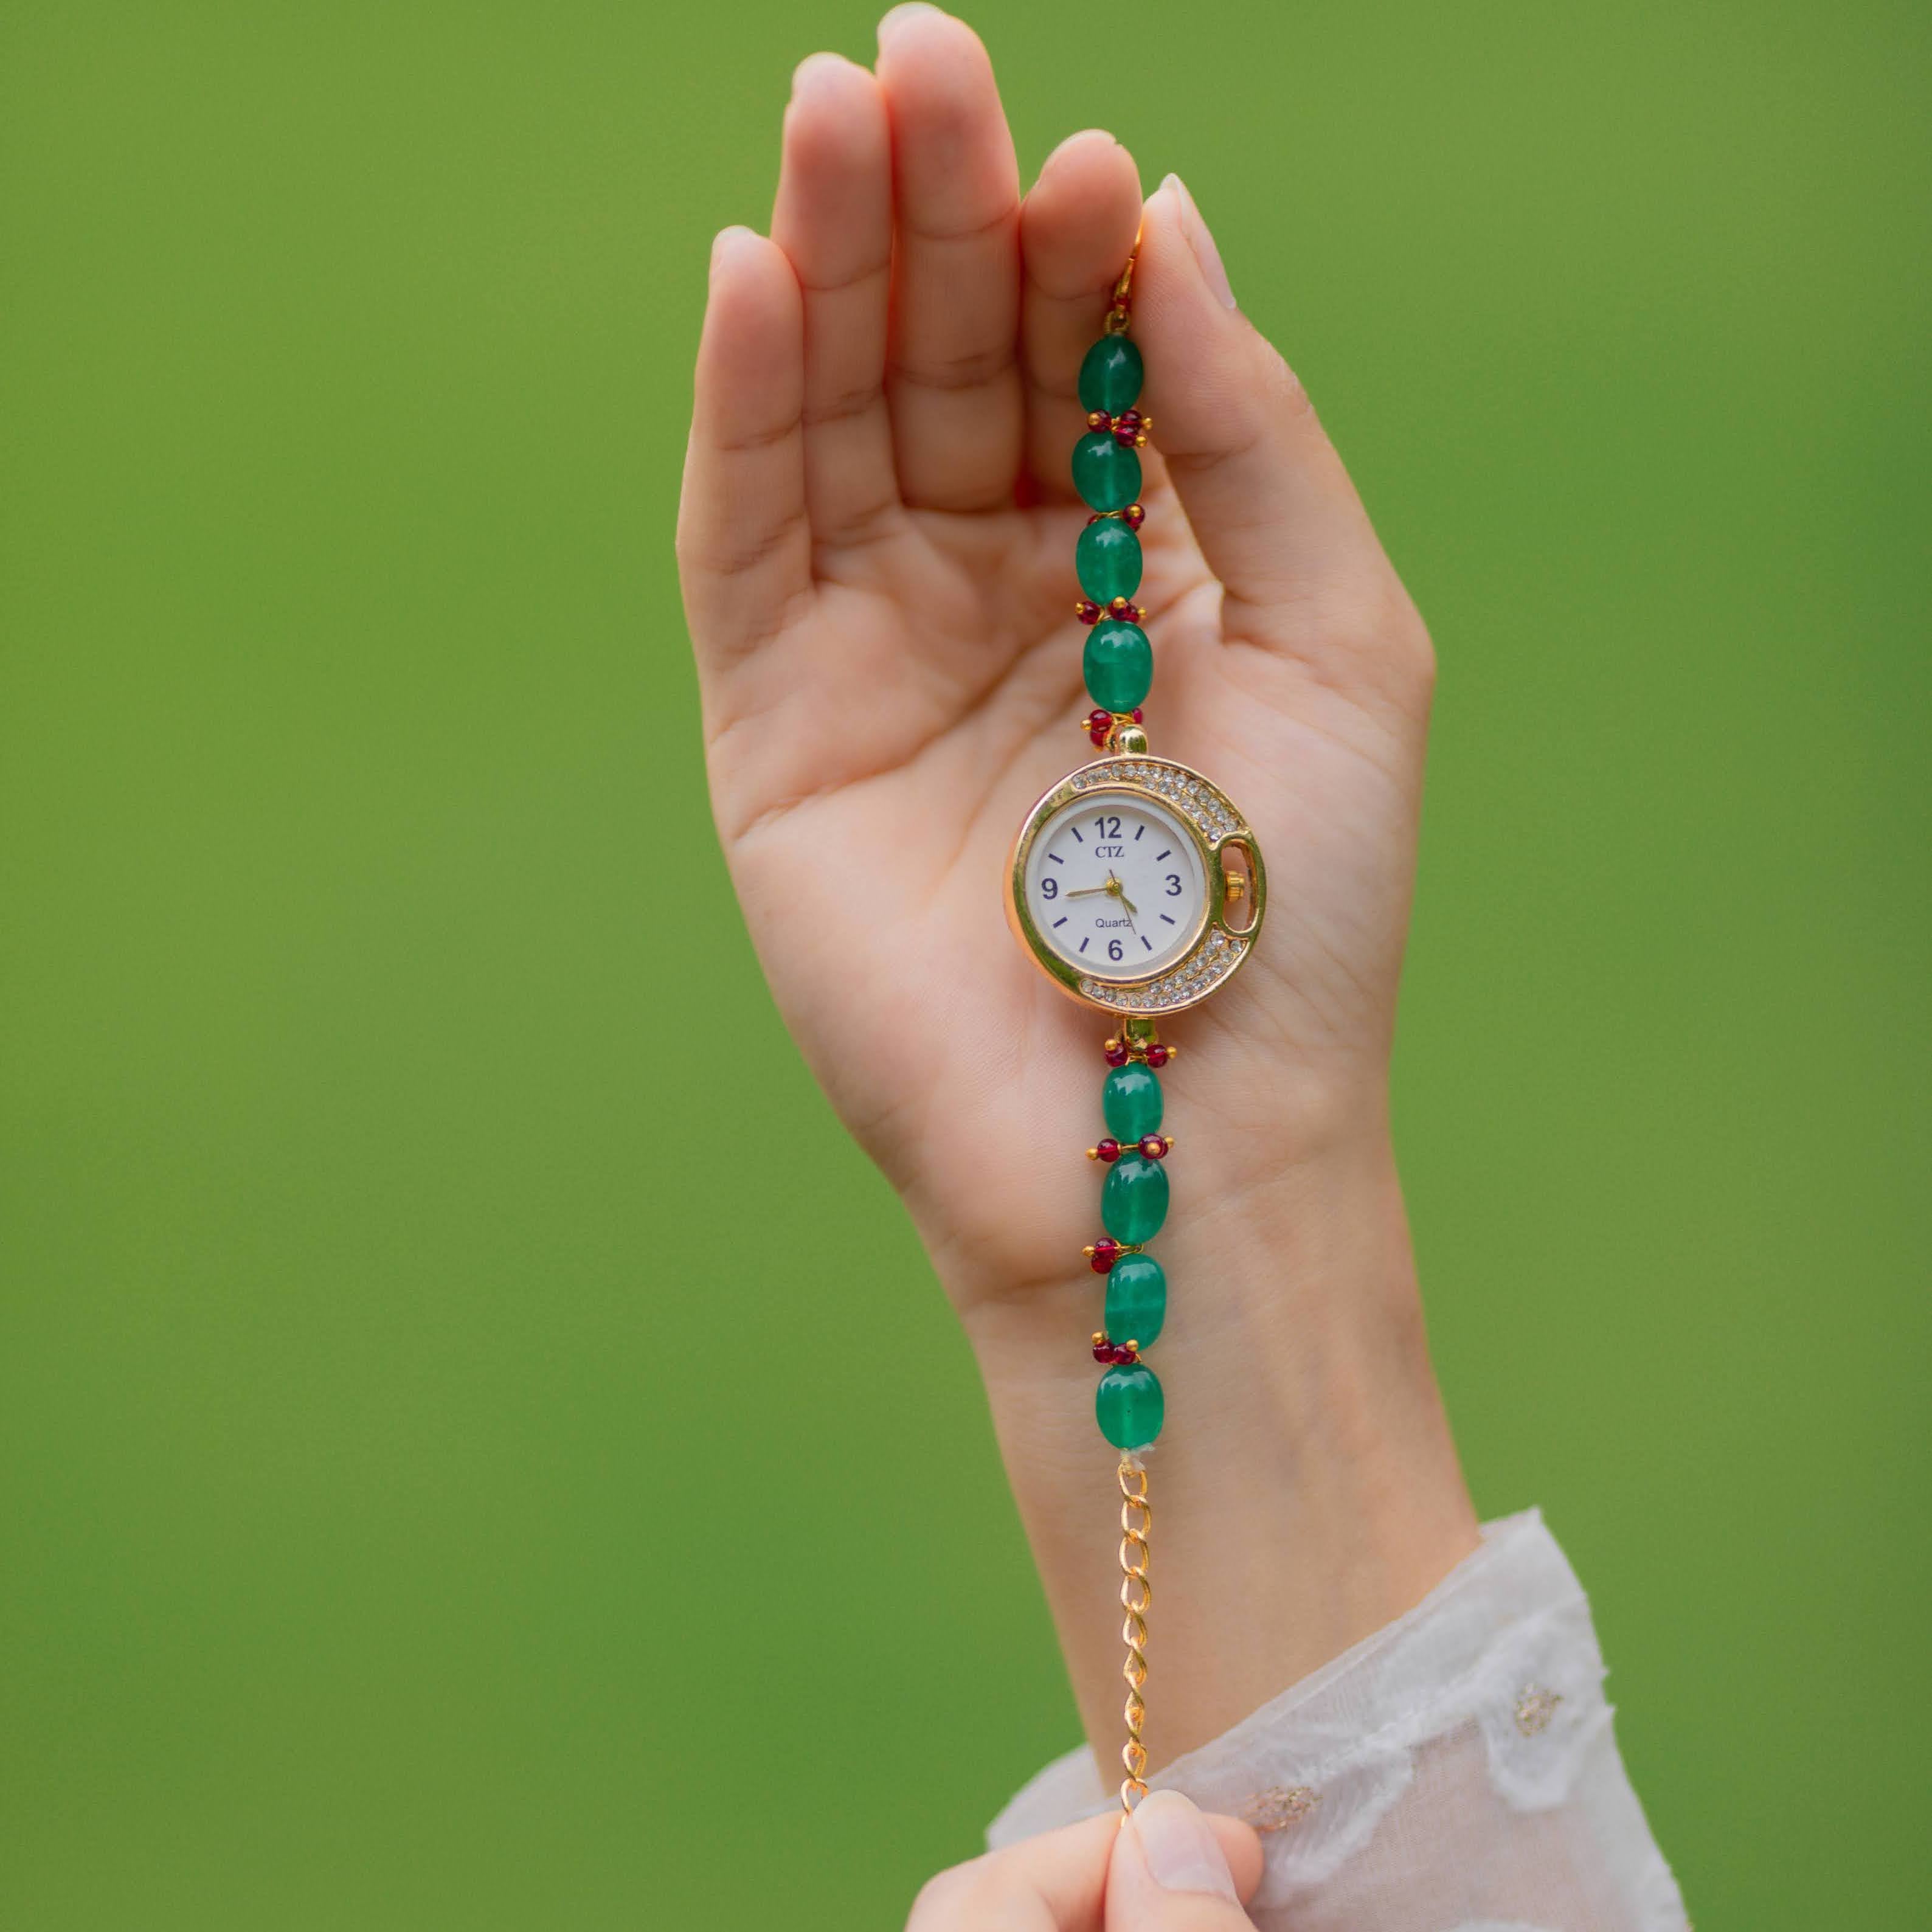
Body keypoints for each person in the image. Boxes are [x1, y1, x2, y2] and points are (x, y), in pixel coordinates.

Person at [677, 7, 1688, 1926]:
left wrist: (1244, 1183)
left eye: (1135, 903)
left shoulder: (1163, 900)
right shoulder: (1113, 883)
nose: (1122, 913)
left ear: (1176, 893)